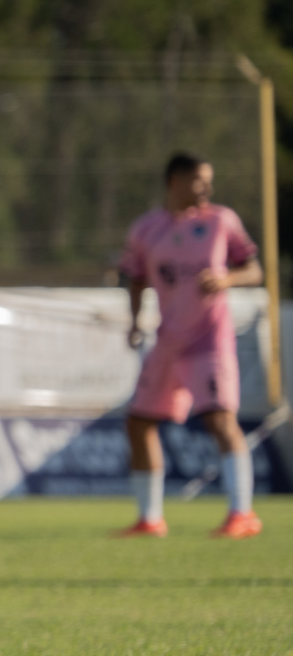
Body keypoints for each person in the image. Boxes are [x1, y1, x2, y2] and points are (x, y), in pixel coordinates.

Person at [116, 152, 264, 539]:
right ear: (175, 182)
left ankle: (242, 514)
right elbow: (134, 279)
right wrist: (134, 323)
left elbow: (254, 269)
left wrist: (227, 280)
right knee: (139, 423)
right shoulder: (146, 229)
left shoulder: (221, 221)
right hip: (169, 340)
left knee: (219, 419)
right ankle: (150, 519)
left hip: (209, 339)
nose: (207, 189)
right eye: (200, 180)